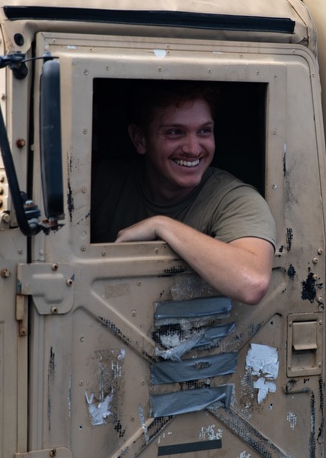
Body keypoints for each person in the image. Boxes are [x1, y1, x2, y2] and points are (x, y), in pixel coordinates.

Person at [91, 81, 276, 306]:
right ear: (140, 139)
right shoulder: (100, 183)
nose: (193, 149)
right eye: (175, 132)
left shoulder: (235, 199)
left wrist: (161, 225)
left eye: (204, 131)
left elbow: (252, 282)